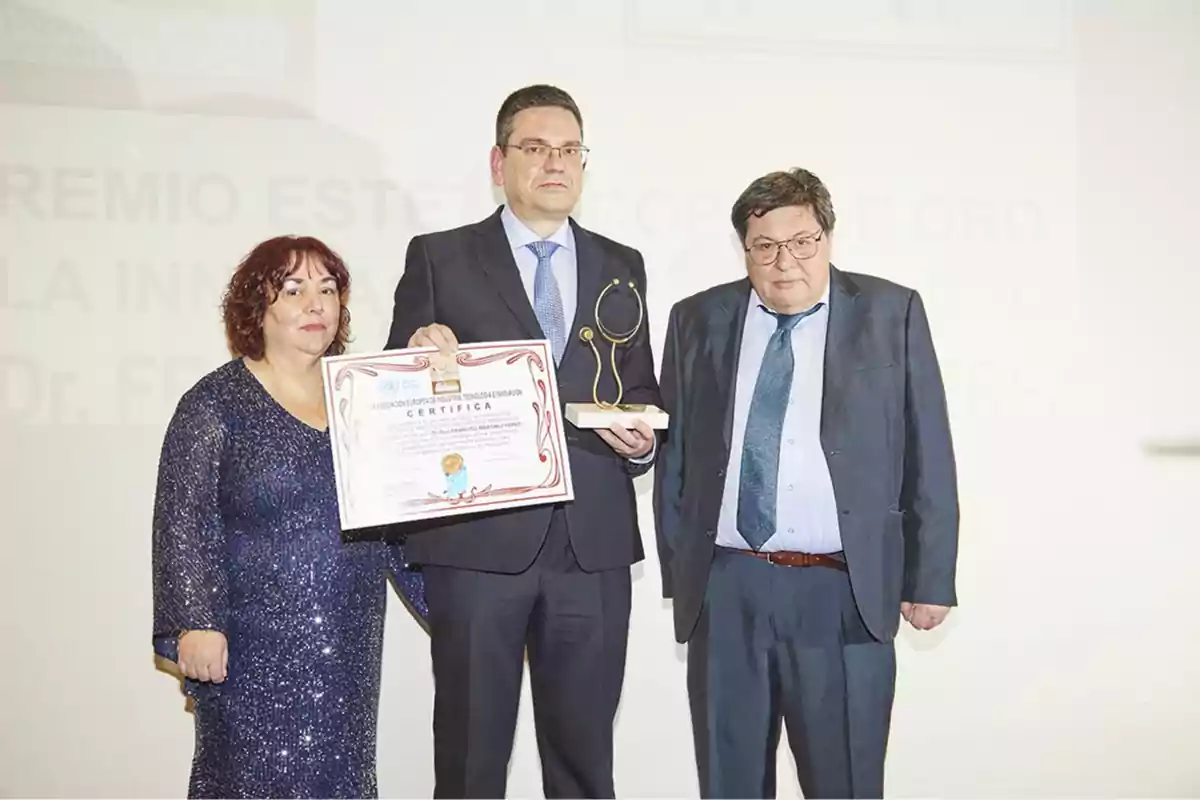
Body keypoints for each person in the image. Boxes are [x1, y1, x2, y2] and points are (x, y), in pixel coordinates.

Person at [384, 84, 661, 798]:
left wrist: (641, 443)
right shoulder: (440, 258)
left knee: (584, 762)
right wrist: (416, 356)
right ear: (499, 161)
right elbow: (392, 392)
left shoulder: (621, 262)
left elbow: (641, 391)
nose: (555, 164)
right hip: (478, 546)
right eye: (536, 149)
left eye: (570, 150)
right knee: (472, 762)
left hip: (591, 547)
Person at [653, 168, 959, 798]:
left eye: (802, 242)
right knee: (728, 778)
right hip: (729, 585)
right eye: (764, 246)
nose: (783, 261)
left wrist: (930, 577)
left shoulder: (889, 312)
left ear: (827, 238)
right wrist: (684, 571)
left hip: (842, 590)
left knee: (842, 779)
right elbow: (676, 453)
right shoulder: (697, 319)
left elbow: (929, 448)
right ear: (745, 250)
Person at [151, 235, 427, 799]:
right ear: (258, 306)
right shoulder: (214, 403)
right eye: (295, 289)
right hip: (248, 648)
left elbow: (395, 517)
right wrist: (195, 621)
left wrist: (464, 608)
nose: (317, 304)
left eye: (328, 290)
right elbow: (183, 517)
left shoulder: (363, 397)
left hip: (348, 639)